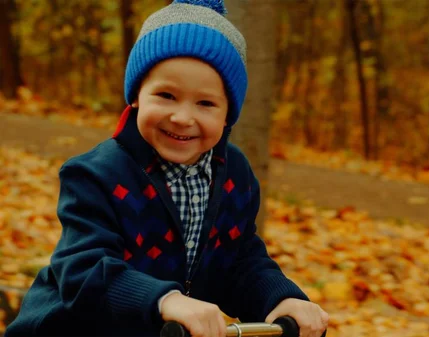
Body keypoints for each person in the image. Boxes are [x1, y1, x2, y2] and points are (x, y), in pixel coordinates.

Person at [5, 0, 328, 336]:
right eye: (166, 96)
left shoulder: (235, 175)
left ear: (227, 114)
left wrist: (280, 298)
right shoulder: (96, 174)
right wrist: (164, 299)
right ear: (136, 96)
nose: (183, 117)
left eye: (205, 103)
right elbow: (83, 270)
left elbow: (240, 261)